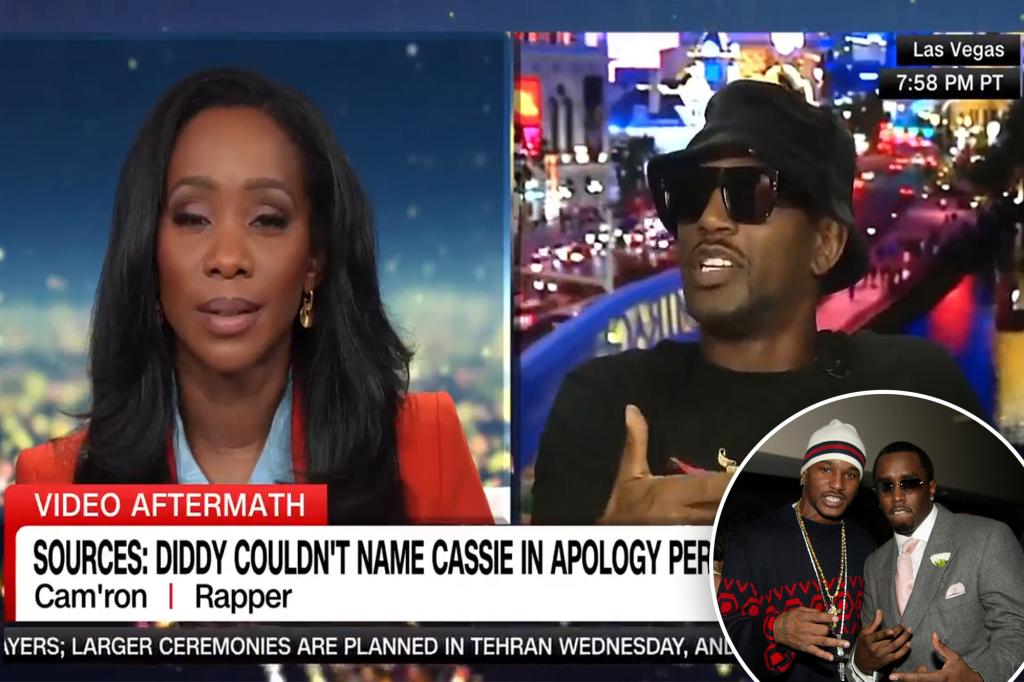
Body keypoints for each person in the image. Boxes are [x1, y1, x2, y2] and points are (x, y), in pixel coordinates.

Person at [15, 69, 492, 525]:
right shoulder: (54, 485)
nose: (227, 258)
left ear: (313, 260)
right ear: (148, 252)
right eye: (193, 217)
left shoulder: (424, 450)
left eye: (267, 219)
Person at [530, 79, 983, 525]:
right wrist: (617, 549)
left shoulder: (915, 390)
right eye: (690, 192)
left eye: (751, 192)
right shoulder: (605, 406)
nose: (709, 220)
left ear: (825, 244)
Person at [851, 442, 1024, 682]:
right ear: (878, 497)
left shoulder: (987, 537)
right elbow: (870, 646)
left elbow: (1017, 629)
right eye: (886, 486)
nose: (897, 496)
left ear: (931, 488)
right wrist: (861, 664)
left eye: (909, 483)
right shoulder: (874, 564)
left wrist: (978, 677)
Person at [718, 419, 876, 681]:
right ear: (804, 474)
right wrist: (776, 630)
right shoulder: (753, 541)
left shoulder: (863, 543)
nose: (838, 484)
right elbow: (725, 632)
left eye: (850, 474)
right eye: (826, 469)